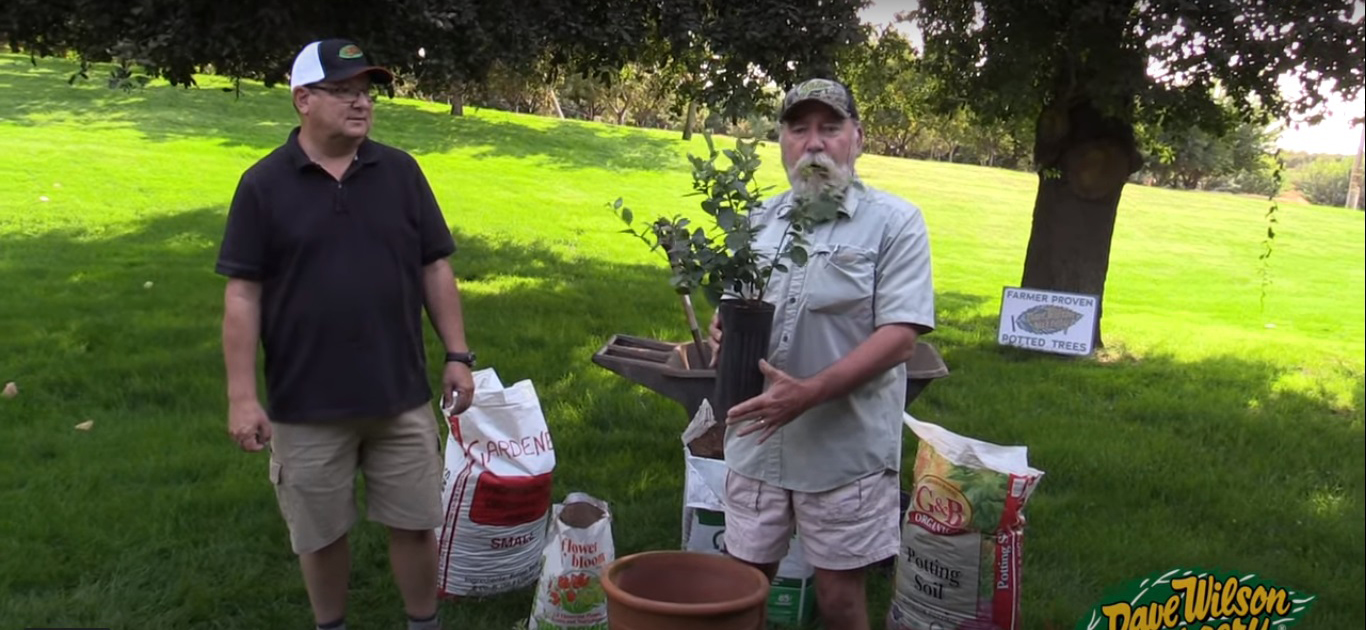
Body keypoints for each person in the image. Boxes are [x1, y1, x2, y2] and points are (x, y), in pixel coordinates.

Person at [215, 38, 476, 630]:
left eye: (366, 92)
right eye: (342, 91)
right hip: (306, 403)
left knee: (415, 522)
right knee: (321, 534)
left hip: (399, 393)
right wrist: (240, 395)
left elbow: (433, 266)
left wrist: (457, 355)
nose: (361, 104)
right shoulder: (263, 185)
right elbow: (242, 293)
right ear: (302, 99)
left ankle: (423, 623)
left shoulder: (401, 173)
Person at [708, 77, 935, 630]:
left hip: (843, 445)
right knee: (743, 585)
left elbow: (900, 335)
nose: (814, 143)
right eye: (799, 129)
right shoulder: (759, 222)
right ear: (782, 141)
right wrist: (724, 327)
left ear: (857, 138)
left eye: (830, 129)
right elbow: (736, 306)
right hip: (759, 435)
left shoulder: (895, 223)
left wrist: (810, 393)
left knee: (837, 597)